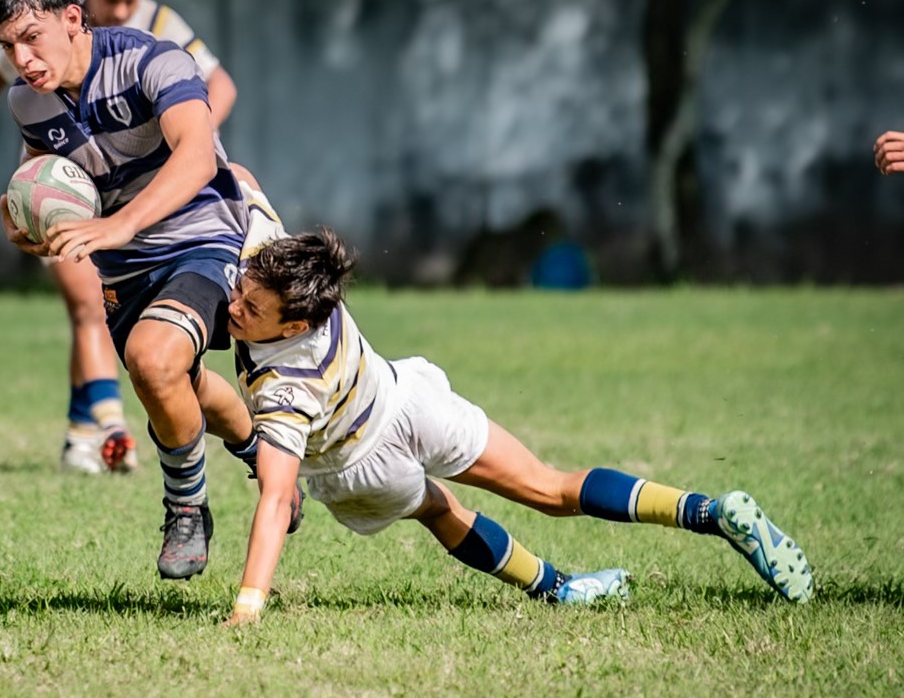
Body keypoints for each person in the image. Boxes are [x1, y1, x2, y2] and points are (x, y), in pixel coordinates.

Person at [222, 197, 814, 624]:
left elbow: (277, 497)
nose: (236, 304)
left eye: (252, 305)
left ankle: (558, 589)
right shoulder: (273, 259)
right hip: (407, 398)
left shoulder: (288, 386)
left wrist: (249, 605)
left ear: (297, 323)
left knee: (438, 509)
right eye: (243, 289)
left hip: (361, 460)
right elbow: (238, 177)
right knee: (551, 488)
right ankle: (710, 512)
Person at [0, 0, 297, 580]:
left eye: (32, 37)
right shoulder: (26, 101)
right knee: (175, 379)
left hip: (203, 233)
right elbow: (41, 179)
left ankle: (185, 508)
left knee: (153, 360)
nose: (22, 58)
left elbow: (198, 158)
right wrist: (24, 221)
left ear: (72, 17)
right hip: (123, 262)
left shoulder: (157, 62)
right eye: (9, 46)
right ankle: (256, 448)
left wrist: (117, 223)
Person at [0, 0, 238, 476]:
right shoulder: (31, 54)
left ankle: (103, 429)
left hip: (180, 218)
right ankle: (96, 430)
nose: (120, 10)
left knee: (172, 358)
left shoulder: (157, 34)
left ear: (71, 17)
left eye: (130, 0)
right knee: (92, 312)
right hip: (99, 213)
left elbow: (215, 97)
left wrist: (184, 134)